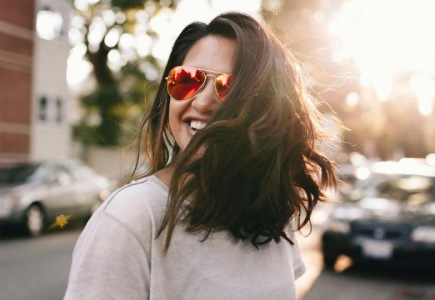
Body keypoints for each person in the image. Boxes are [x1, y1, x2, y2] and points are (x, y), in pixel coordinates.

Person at [64, 11, 336, 300]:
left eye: (229, 88)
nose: (203, 102)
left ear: (268, 109)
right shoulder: (130, 217)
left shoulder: (271, 213)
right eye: (187, 80)